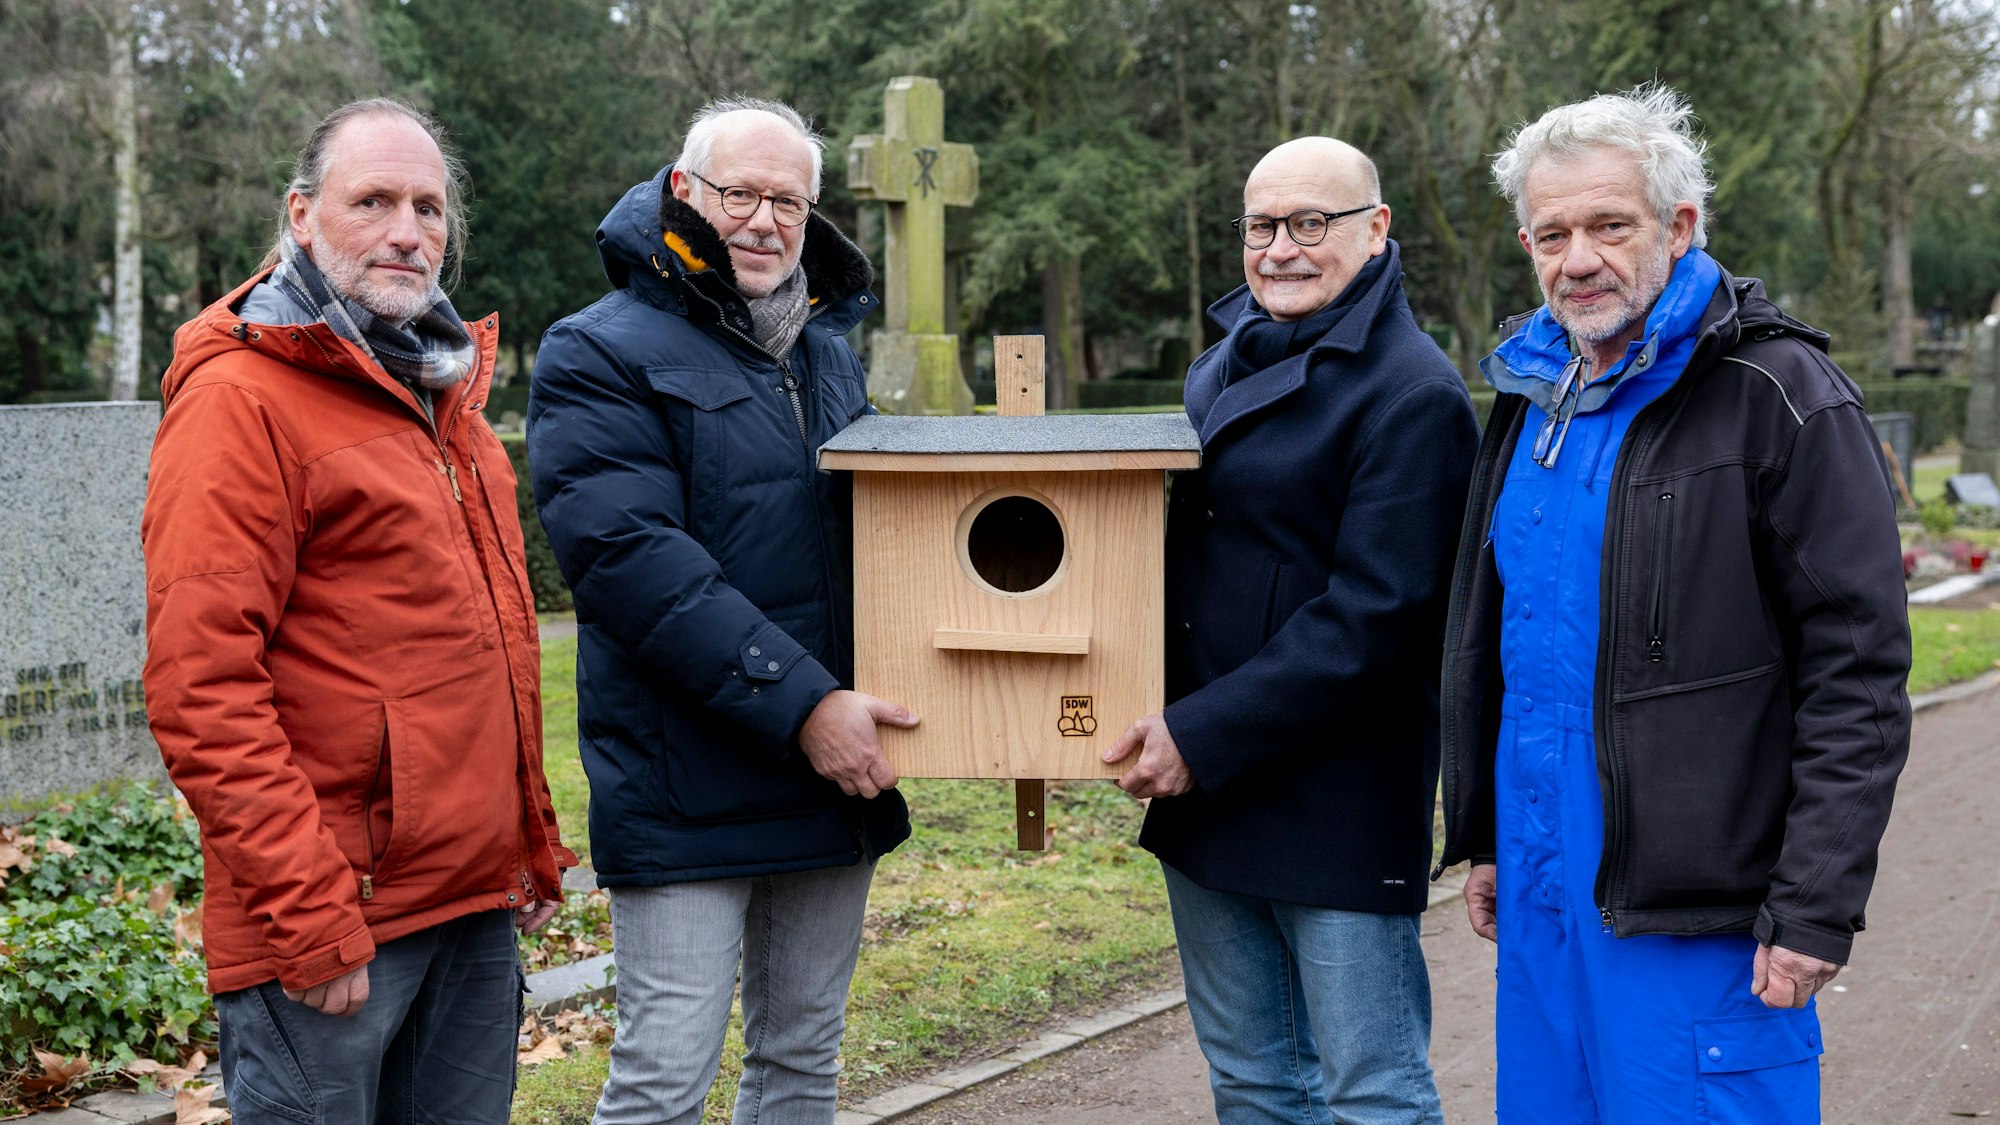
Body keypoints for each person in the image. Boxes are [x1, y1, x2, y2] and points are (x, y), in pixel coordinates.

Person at [1438, 85, 1911, 1123]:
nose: (1577, 260)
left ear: (1679, 225)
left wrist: (1814, 904)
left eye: (1610, 226)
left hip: (1701, 914)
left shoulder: (1780, 392)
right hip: (1547, 893)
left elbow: (1858, 672)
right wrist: (1492, 835)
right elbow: (1511, 641)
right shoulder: (1530, 396)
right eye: (1551, 234)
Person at [143, 98, 574, 1124]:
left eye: (428, 208)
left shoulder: (441, 386)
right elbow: (201, 686)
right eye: (372, 200)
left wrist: (528, 844)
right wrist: (308, 913)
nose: (406, 231)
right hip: (339, 924)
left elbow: (488, 650)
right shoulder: (241, 397)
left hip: (469, 905)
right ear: (301, 215)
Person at [526, 98, 914, 1125]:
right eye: (739, 193)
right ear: (682, 192)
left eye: (788, 201)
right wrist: (803, 704)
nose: (763, 220)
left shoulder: (826, 355)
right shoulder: (597, 350)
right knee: (664, 1077)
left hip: (827, 774)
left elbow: (876, 533)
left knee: (800, 1060)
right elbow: (632, 562)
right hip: (684, 778)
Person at [1103, 137, 1476, 1124]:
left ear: (1374, 229)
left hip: (1334, 800)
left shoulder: (1413, 392)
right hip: (1210, 792)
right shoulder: (1220, 362)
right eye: (1262, 225)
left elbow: (1376, 620)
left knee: (1371, 1091)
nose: (1280, 249)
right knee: (1253, 1082)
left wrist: (1198, 734)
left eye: (1310, 223)